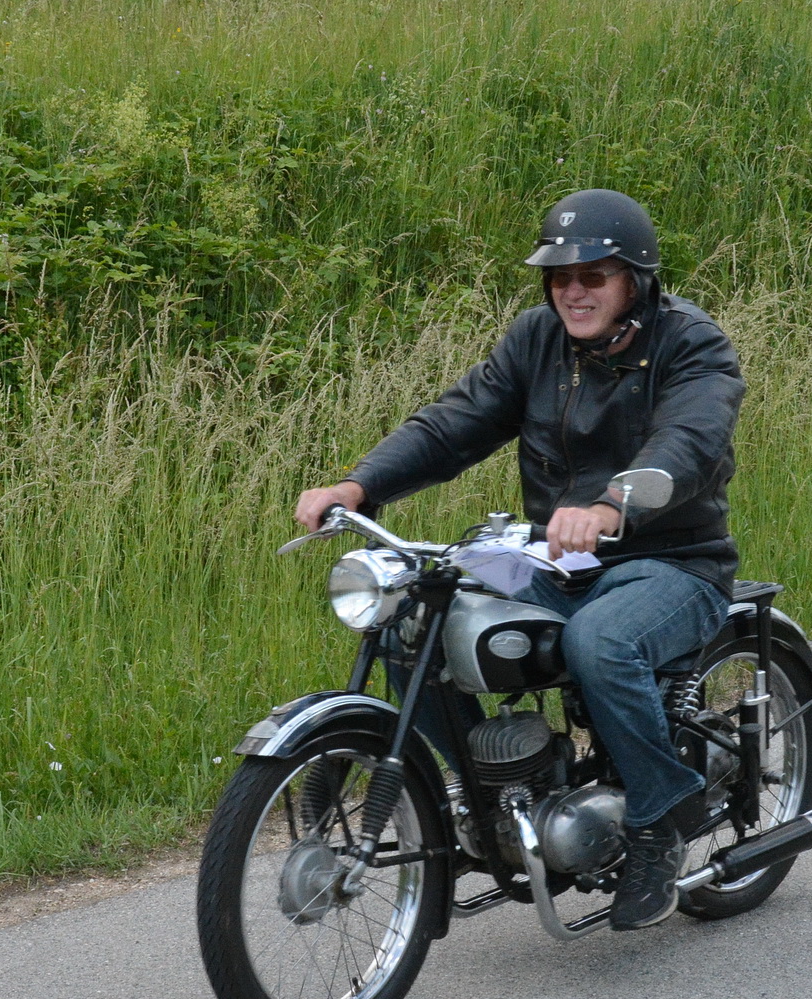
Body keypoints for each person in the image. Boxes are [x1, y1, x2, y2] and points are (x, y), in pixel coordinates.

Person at [294, 189, 745, 930]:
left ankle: (659, 818)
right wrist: (359, 482)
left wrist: (610, 507)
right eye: (561, 275)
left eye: (594, 275)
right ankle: (486, 788)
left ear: (635, 279)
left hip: (673, 561)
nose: (574, 290)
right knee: (416, 615)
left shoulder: (691, 344)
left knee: (598, 641)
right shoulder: (536, 340)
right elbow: (455, 424)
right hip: (556, 561)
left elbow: (687, 444)